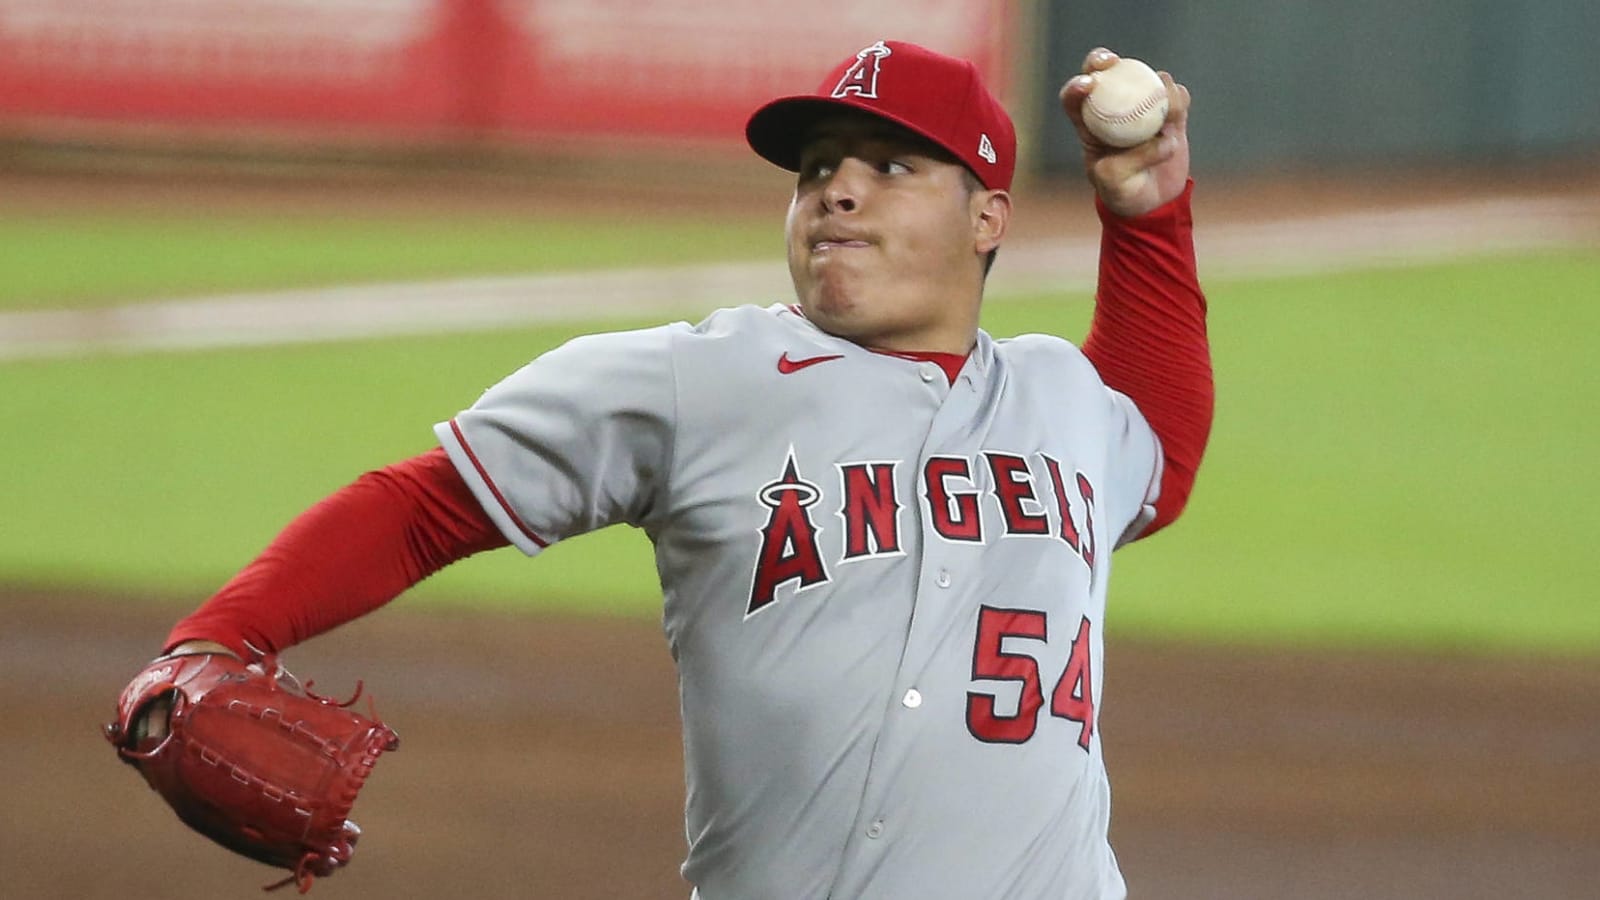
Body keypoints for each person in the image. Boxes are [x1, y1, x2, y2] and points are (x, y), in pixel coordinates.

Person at [115, 40, 1211, 899]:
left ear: (988, 217)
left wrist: (1148, 211)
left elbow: (1159, 442)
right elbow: (425, 506)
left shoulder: (1062, 399)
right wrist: (214, 640)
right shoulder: (699, 380)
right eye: (817, 170)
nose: (837, 192)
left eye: (890, 167)